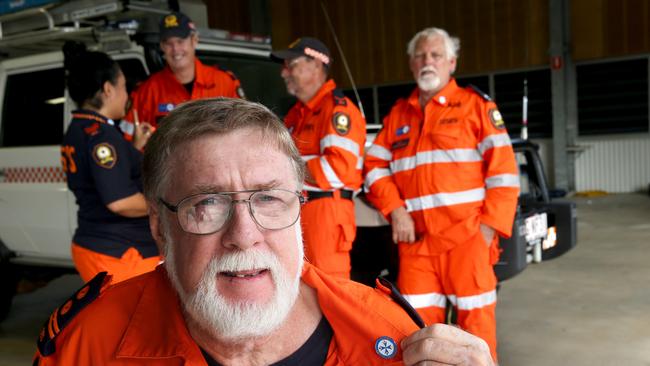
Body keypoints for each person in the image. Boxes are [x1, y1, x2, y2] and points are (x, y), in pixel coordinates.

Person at [35, 98, 495, 366]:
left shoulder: (392, 343)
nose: (244, 234)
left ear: (299, 205)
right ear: (159, 226)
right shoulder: (85, 346)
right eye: (207, 202)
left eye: (269, 198)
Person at [363, 27, 520, 361]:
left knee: (476, 335)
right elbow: (374, 164)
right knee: (417, 333)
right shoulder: (399, 114)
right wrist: (396, 210)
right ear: (410, 63)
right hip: (417, 245)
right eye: (420, 55)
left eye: (435, 55)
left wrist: (487, 230)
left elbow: (504, 172)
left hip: (468, 240)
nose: (427, 61)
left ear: (451, 62)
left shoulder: (476, 106)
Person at [60, 43, 159, 283]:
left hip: (106, 247)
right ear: (107, 89)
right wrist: (167, 206)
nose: (127, 95)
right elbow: (120, 201)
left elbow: (109, 172)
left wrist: (133, 147)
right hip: (120, 252)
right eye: (124, 87)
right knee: (136, 319)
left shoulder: (81, 127)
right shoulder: (102, 136)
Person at [270, 37, 366, 279]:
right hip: (296, 212)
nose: (283, 73)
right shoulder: (295, 115)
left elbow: (336, 170)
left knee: (329, 295)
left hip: (326, 215)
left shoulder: (337, 110)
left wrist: (283, 170)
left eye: (291, 64)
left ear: (315, 64)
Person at [120, 11, 244, 139]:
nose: (175, 49)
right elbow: (128, 143)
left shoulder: (225, 82)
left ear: (194, 40)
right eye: (168, 43)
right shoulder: (147, 91)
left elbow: (243, 130)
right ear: (162, 46)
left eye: (180, 41)